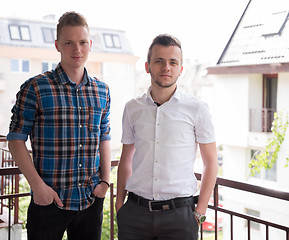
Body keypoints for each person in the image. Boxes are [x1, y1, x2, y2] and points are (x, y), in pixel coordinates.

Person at [7, 12, 111, 240]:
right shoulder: (35, 87)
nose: (77, 49)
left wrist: (105, 182)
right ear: (57, 45)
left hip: (90, 200)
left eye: (83, 42)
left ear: (90, 44)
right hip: (49, 201)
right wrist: (38, 187)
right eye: (69, 42)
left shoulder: (102, 90)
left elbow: (104, 136)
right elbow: (15, 139)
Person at [115, 34, 219, 240]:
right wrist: (120, 204)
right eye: (159, 61)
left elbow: (211, 163)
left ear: (181, 69)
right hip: (135, 214)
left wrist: (200, 211)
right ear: (147, 66)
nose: (166, 68)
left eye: (173, 62)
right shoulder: (132, 108)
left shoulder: (197, 109)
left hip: (180, 217)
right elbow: (126, 158)